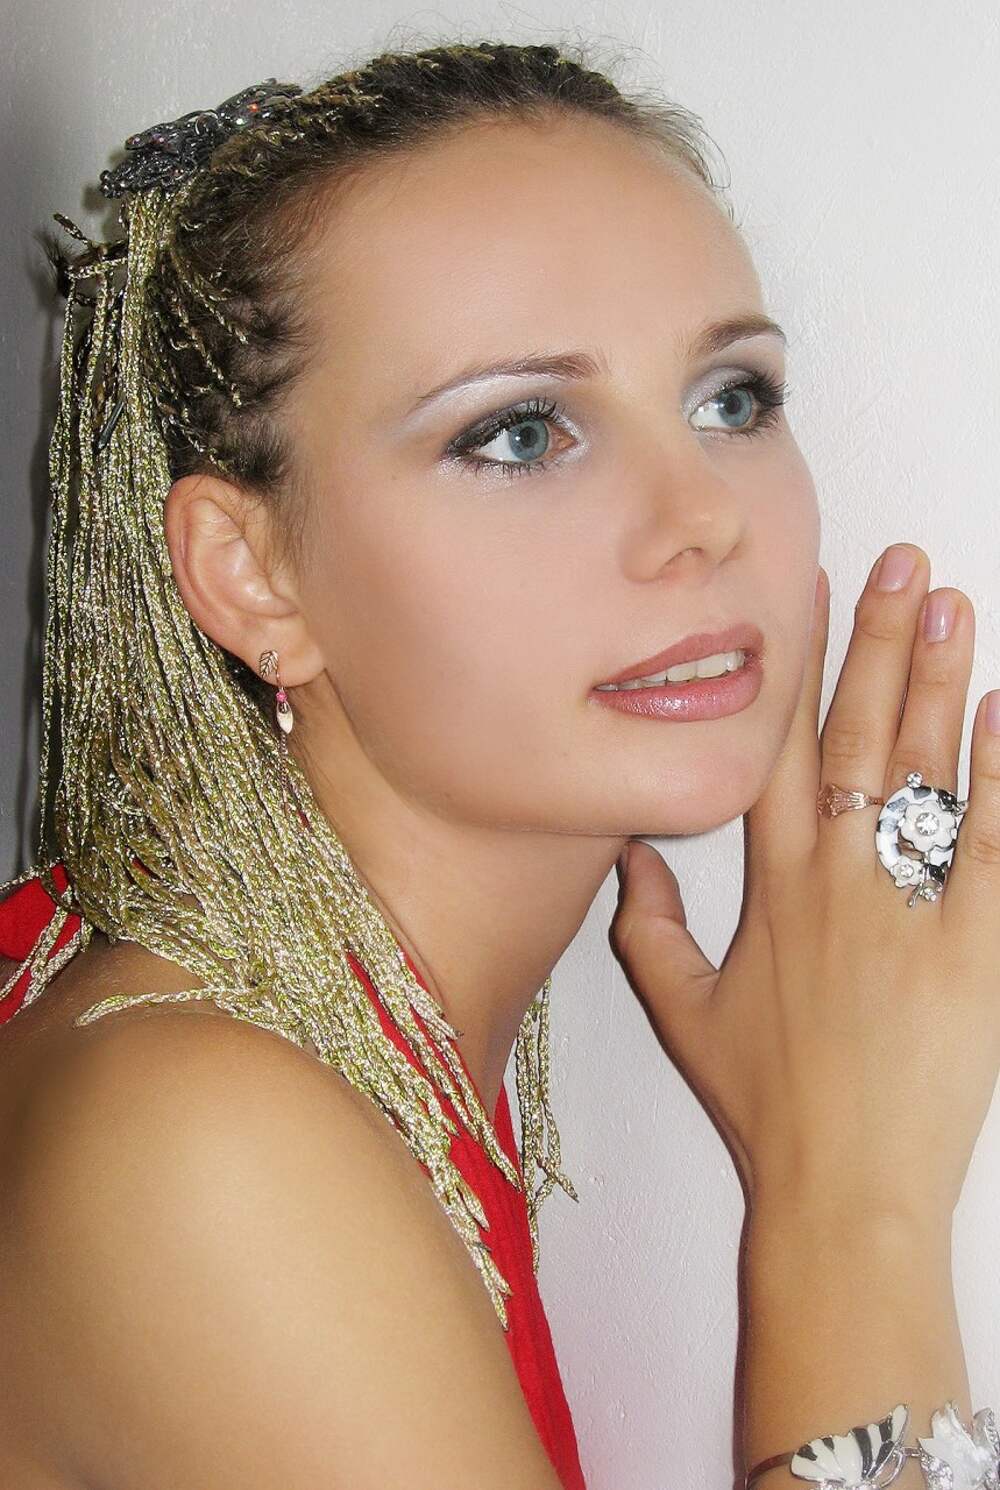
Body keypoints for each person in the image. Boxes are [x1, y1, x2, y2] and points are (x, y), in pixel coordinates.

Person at [0, 36, 997, 1490]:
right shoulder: (196, 1140)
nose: (701, 517)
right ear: (252, 572)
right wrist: (851, 1203)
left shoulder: (256, 1027)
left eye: (731, 398)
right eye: (521, 433)